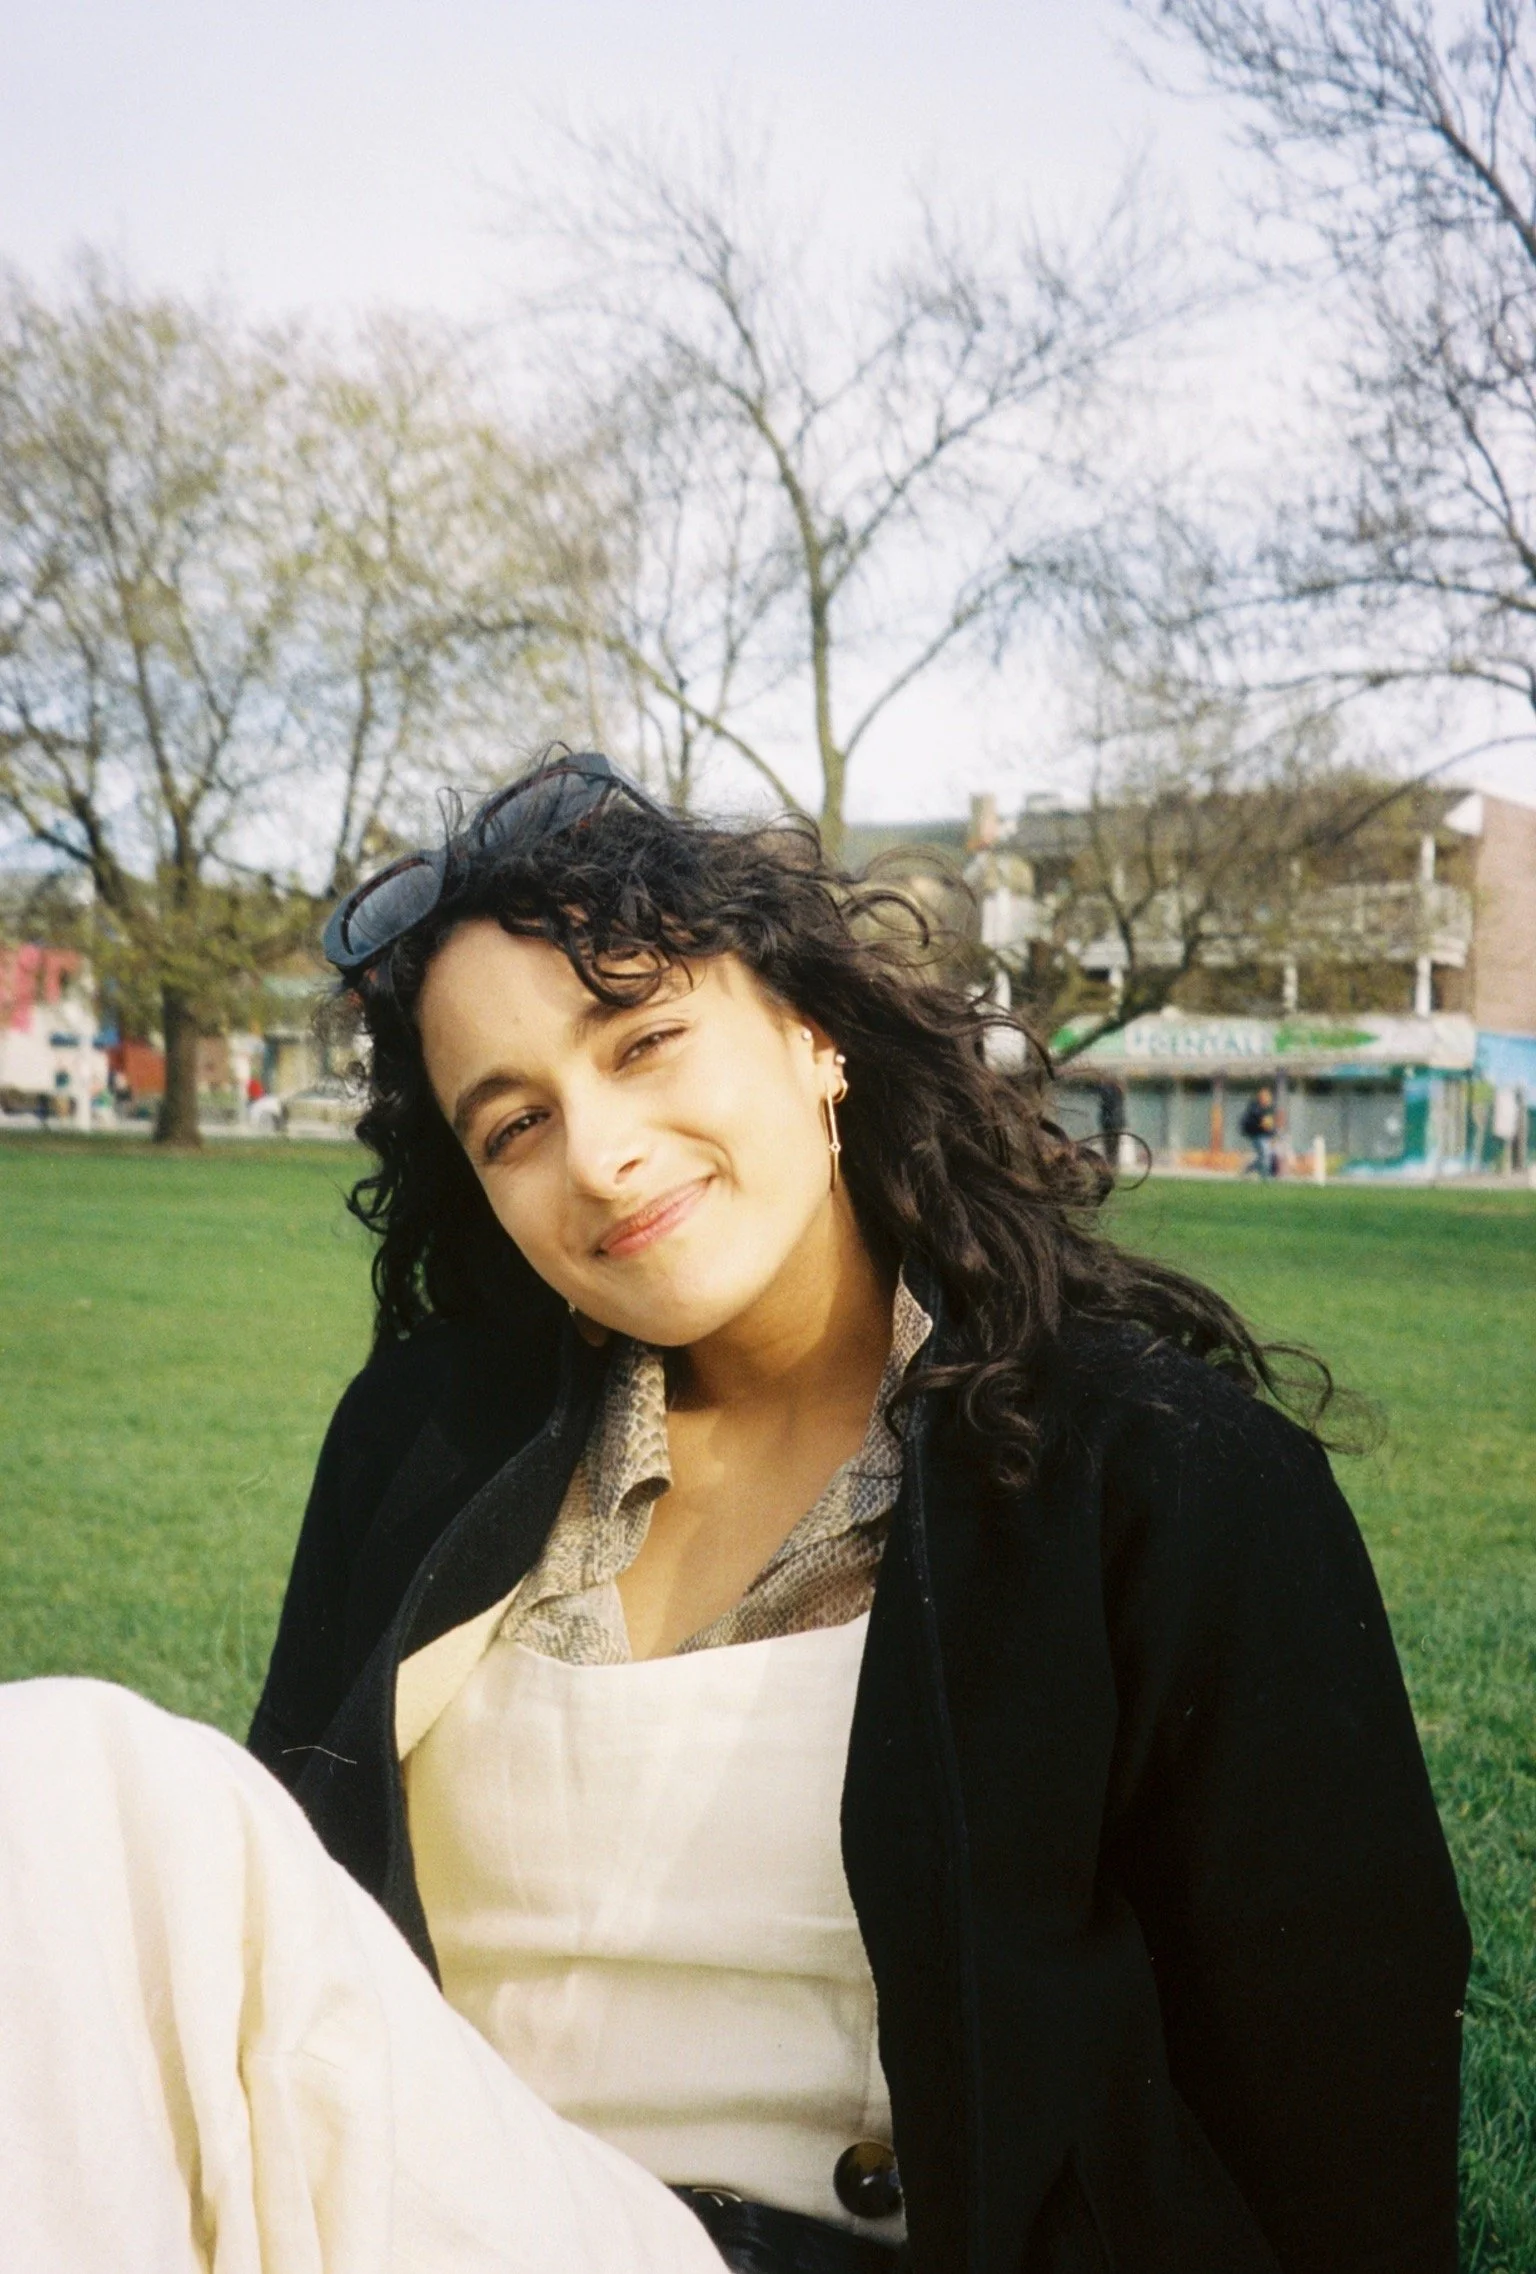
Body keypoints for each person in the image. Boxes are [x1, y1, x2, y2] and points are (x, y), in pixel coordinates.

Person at [0, 754, 1468, 2274]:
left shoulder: (1156, 1473)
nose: (600, 1155)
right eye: (512, 1125)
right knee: (42, 1808)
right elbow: (287, 1939)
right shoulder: (423, 1446)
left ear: (811, 1031)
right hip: (417, 2203)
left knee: (69, 1766)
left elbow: (1340, 2093)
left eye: (642, 1041)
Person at [1240, 1083, 1278, 1176]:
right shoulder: (1255, 1107)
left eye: (1268, 1096)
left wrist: (1273, 1135)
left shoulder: (1270, 1108)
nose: (1267, 1098)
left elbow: (1270, 1124)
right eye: (1264, 1095)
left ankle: (1249, 1169)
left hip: (1265, 1135)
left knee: (1264, 1156)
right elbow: (1256, 1119)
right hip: (1256, 1135)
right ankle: (1264, 1176)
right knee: (1265, 1155)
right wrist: (1262, 1121)